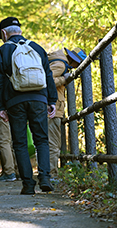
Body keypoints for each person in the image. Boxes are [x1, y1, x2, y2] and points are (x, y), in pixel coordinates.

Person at [0, 17, 58, 194]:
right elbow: (48, 75)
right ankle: (45, 177)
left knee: (20, 143)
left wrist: (0, 107)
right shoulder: (37, 48)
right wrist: (52, 101)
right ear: (19, 30)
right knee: (42, 140)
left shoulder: (3, 50)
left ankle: (28, 185)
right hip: (39, 99)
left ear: (4, 33)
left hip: (15, 101)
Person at [47, 47, 87, 179]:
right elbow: (46, 82)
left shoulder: (60, 64)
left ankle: (48, 173)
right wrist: (64, 80)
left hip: (52, 108)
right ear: (74, 60)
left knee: (51, 143)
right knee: (53, 144)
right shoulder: (60, 65)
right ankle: (51, 174)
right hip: (52, 109)